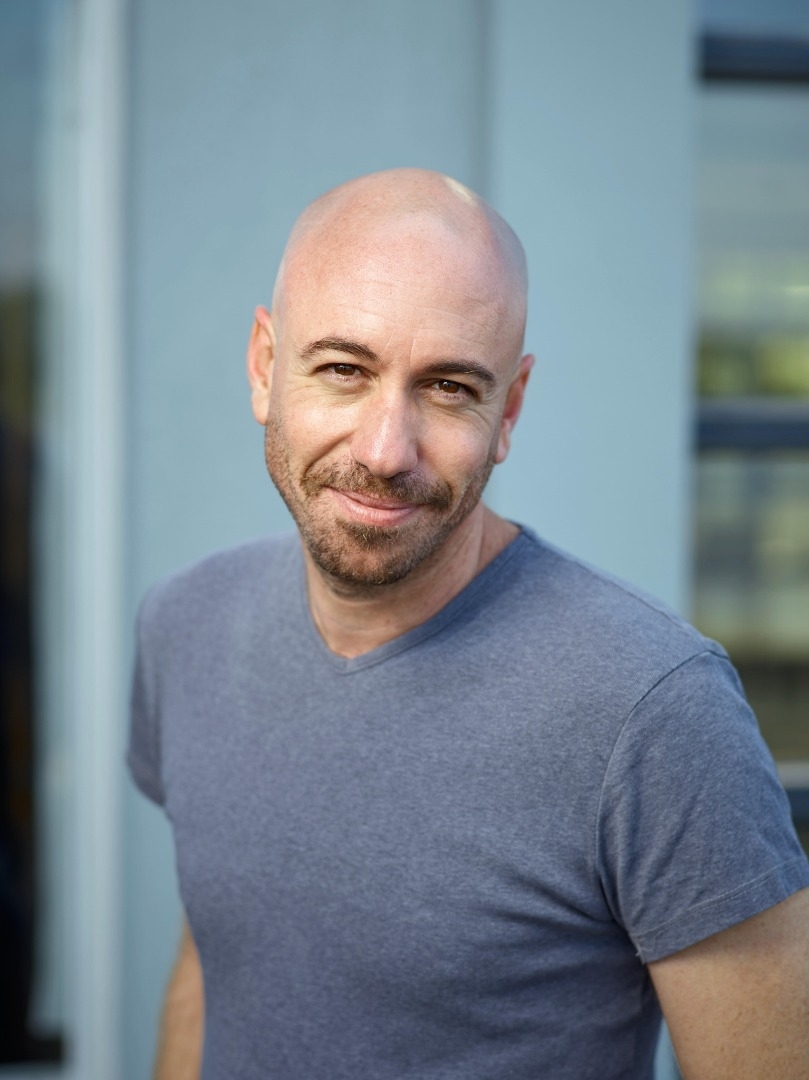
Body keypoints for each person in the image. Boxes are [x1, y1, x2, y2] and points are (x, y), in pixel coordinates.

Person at [128, 168, 809, 1080]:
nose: (385, 450)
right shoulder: (186, 626)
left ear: (508, 410)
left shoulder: (653, 711)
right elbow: (215, 959)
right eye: (343, 370)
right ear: (264, 366)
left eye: (447, 387)